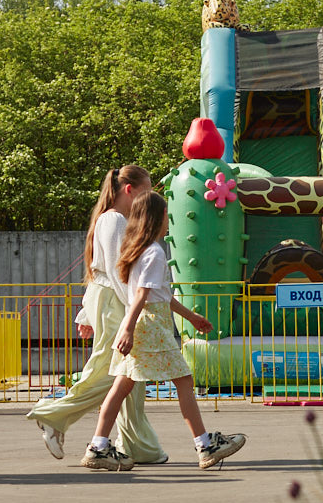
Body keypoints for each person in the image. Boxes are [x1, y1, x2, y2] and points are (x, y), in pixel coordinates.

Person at [84, 191, 246, 471]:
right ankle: (205, 445)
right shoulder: (155, 252)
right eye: (167, 215)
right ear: (156, 218)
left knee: (121, 386)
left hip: (142, 324)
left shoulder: (136, 250)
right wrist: (129, 329)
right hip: (151, 327)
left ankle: (98, 447)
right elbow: (143, 295)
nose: (169, 221)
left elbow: (159, 294)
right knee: (183, 381)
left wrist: (191, 316)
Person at [25, 165, 168, 464]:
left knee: (129, 375)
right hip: (116, 300)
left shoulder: (110, 219)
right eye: (146, 190)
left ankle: (138, 445)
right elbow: (118, 272)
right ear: (129, 190)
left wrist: (86, 314)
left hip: (109, 299)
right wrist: (134, 313)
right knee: (116, 371)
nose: (148, 197)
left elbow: (101, 271)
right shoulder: (114, 220)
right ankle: (54, 414)